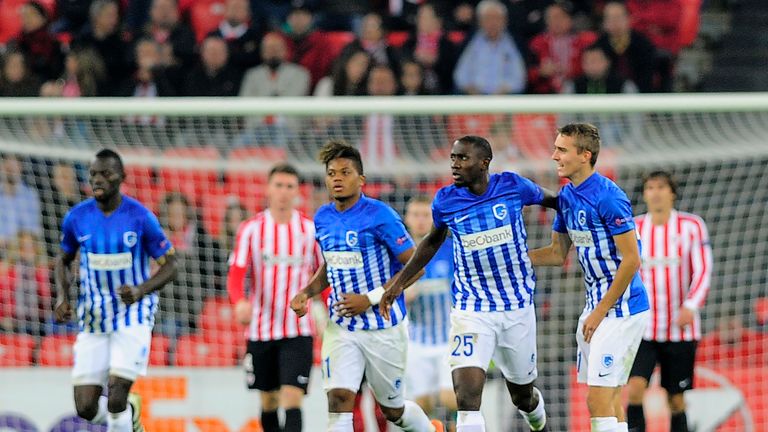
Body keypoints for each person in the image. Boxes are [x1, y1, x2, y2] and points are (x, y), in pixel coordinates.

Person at [381, 135, 556, 432]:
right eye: (453, 158)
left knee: (522, 396)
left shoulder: (512, 187)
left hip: (517, 308)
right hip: (471, 310)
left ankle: (536, 416)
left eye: (463, 158)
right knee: (465, 397)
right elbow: (432, 241)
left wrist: (564, 242)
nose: (455, 164)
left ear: (484, 163)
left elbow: (555, 202)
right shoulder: (447, 200)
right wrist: (399, 283)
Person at [289, 140, 443, 432]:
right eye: (332, 172)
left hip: (382, 327)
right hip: (342, 325)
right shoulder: (322, 217)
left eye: (345, 172)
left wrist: (370, 298)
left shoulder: (380, 215)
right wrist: (306, 292)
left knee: (392, 409)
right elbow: (331, 264)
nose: (337, 178)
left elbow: (416, 267)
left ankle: (430, 429)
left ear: (361, 180)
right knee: (338, 398)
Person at [528, 123, 650, 432]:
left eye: (562, 150)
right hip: (596, 309)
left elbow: (631, 260)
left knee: (597, 401)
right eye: (555, 148)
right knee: (611, 398)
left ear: (585, 155)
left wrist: (599, 312)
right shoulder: (567, 196)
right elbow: (557, 254)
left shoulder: (609, 197)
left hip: (621, 311)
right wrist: (515, 259)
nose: (554, 156)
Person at [54, 149, 178, 432]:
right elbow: (62, 260)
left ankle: (123, 410)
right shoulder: (77, 218)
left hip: (133, 313)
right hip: (94, 315)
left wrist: (140, 290)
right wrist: (62, 296)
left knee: (116, 391)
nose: (98, 179)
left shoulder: (140, 217)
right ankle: (130, 414)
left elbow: (171, 265)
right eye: (94, 174)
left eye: (106, 174)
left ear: (122, 177)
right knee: (85, 407)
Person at [227, 163, 322, 432]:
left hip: (298, 328)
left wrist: (325, 312)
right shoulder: (251, 229)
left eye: (289, 186)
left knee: (292, 396)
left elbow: (321, 275)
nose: (283, 192)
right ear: (268, 188)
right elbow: (236, 273)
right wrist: (240, 301)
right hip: (261, 329)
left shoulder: (309, 230)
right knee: (269, 400)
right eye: (278, 185)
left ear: (297, 191)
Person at [626, 171, 713, 432]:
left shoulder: (691, 226)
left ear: (672, 192)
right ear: (644, 194)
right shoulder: (635, 228)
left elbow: (703, 269)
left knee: (676, 399)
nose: (655, 192)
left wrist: (691, 305)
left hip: (680, 329)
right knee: (634, 390)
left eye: (661, 187)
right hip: (643, 328)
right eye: (650, 188)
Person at [402, 196, 457, 429]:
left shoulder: (449, 248)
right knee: (421, 404)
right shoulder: (400, 254)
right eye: (416, 215)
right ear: (407, 219)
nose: (421, 221)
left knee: (452, 399)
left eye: (426, 215)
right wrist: (404, 294)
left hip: (448, 338)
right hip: (416, 340)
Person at [453, 0, 526, 95]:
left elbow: (519, 78)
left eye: (496, 18)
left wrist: (503, 92)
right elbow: (460, 75)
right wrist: (471, 90)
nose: (492, 23)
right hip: (474, 97)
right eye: (488, 18)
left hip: (505, 97)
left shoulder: (513, 43)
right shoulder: (472, 42)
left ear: (505, 21)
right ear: (480, 22)